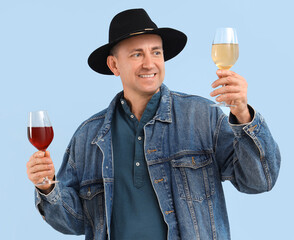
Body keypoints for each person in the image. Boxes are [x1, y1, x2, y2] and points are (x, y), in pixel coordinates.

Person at [26, 8, 280, 240]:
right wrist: (47, 186)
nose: (150, 63)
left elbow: (258, 181)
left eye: (156, 52)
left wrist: (243, 114)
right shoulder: (88, 136)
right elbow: (76, 222)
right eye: (137, 54)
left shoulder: (202, 116)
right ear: (114, 65)